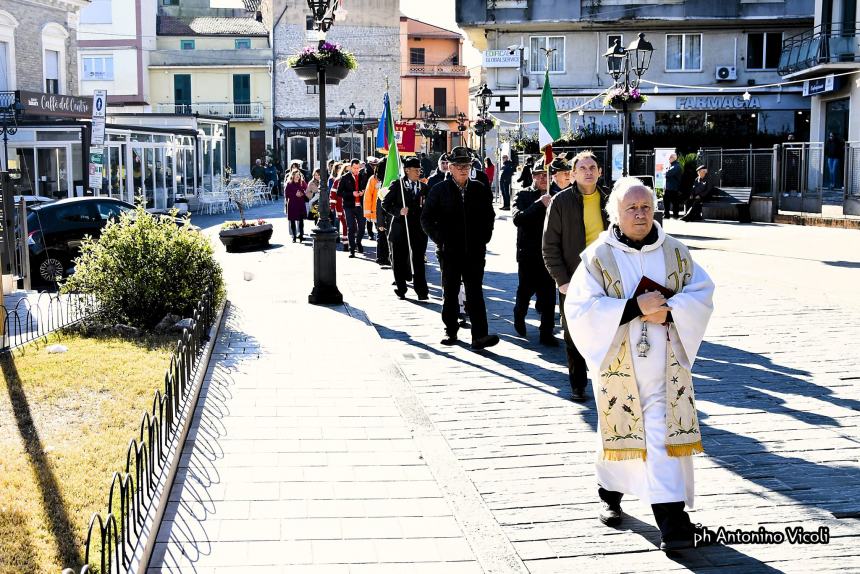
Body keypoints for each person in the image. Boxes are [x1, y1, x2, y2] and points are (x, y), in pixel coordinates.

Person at [564, 176, 715, 551]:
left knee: (662, 438)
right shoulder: (598, 258)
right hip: (619, 368)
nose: (640, 214)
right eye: (631, 208)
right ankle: (610, 492)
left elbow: (702, 293)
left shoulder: (675, 252)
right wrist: (633, 308)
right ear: (614, 213)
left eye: (646, 206)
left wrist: (671, 311)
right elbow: (579, 309)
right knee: (619, 434)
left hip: (666, 369)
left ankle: (673, 522)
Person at [542, 151, 608, 402]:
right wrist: (562, 280)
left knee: (607, 330)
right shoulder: (561, 202)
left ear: (600, 171)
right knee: (574, 333)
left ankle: (607, 384)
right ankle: (578, 384)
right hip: (574, 278)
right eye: (583, 168)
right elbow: (550, 246)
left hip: (606, 276)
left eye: (593, 167)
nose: (588, 171)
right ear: (573, 174)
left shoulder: (610, 199)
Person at [421, 146, 499, 350]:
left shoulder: (479, 188)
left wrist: (485, 238)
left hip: (474, 250)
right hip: (449, 251)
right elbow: (426, 218)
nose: (463, 169)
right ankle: (450, 330)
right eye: (458, 166)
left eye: (466, 165)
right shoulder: (439, 189)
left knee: (475, 292)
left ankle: (480, 336)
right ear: (450, 168)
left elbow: (489, 215)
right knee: (451, 291)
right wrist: (441, 240)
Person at [512, 157, 557, 346]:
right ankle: (519, 315)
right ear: (533, 176)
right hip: (528, 253)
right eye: (540, 176)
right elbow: (518, 219)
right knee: (525, 291)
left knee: (548, 296)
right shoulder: (523, 195)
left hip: (549, 253)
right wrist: (539, 204)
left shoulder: (556, 195)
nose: (543, 179)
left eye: (546, 176)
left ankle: (546, 332)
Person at [383, 156, 429, 300]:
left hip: (418, 230)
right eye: (415, 170)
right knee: (399, 260)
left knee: (418, 260)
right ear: (407, 170)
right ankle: (401, 288)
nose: (418, 173)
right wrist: (398, 211)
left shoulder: (424, 187)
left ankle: (421, 291)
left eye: (419, 170)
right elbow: (385, 203)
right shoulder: (398, 185)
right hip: (400, 229)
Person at [337, 159, 369, 257]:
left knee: (362, 228)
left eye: (358, 168)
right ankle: (352, 250)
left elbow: (367, 189)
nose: (356, 170)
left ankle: (358, 242)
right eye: (354, 168)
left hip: (361, 206)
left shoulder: (363, 176)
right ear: (350, 167)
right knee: (351, 228)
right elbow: (339, 193)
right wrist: (351, 194)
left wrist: (363, 192)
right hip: (349, 206)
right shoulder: (345, 177)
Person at [284, 170, 309, 242]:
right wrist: (295, 194)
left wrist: (302, 194)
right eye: (296, 175)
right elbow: (286, 194)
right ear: (293, 175)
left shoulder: (302, 182)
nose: (297, 176)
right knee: (292, 221)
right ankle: (294, 237)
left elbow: (307, 190)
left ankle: (301, 235)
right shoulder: (289, 184)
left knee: (301, 221)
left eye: (298, 174)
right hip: (292, 204)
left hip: (300, 204)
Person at [363, 157, 380, 240]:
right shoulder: (369, 175)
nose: (374, 166)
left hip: (376, 203)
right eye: (373, 165)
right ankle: (370, 233)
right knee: (369, 220)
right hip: (371, 201)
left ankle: (372, 234)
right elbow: (368, 194)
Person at [663, 153, 682, 219]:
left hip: (673, 188)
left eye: (670, 157)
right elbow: (664, 172)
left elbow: (667, 173)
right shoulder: (670, 166)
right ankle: (667, 214)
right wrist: (665, 171)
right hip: (668, 188)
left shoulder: (676, 166)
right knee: (666, 202)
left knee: (675, 202)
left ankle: (675, 215)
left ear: (674, 158)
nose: (669, 158)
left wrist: (665, 171)